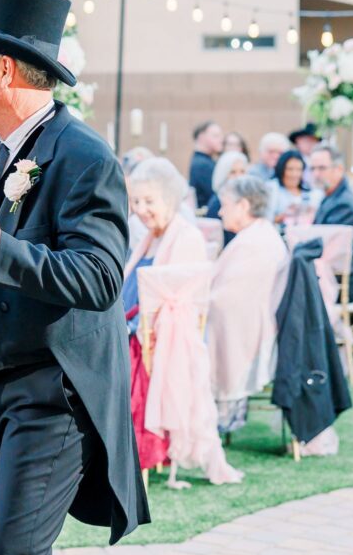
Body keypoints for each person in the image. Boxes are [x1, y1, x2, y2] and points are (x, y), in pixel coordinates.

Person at [0, 0, 148, 555]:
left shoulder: (82, 155)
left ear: (3, 71)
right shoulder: (2, 152)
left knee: (14, 553)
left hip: (53, 392)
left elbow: (101, 277)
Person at [123, 157, 243, 487]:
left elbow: (185, 297)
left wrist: (137, 326)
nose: (142, 209)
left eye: (150, 201)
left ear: (170, 199)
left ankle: (142, 452)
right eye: (136, 201)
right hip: (134, 328)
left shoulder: (186, 236)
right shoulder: (148, 236)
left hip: (157, 336)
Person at [208, 176, 288, 432]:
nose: (220, 211)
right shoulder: (257, 236)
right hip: (250, 322)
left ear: (243, 205)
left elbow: (229, 300)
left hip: (252, 330)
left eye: (225, 205)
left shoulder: (256, 243)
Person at [310, 145, 353, 302]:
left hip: (343, 283)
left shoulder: (343, 204)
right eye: (313, 168)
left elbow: (328, 251)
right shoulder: (332, 196)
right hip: (334, 276)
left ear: (339, 169)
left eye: (322, 168)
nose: (316, 174)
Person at [204, 151, 248, 245]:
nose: (238, 176)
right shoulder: (217, 203)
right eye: (233, 172)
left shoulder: (246, 198)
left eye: (242, 171)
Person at [267, 150, 319, 224]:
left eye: (299, 169)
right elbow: (265, 219)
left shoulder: (310, 192)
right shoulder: (272, 188)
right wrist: (285, 215)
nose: (294, 174)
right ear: (281, 169)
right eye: (290, 169)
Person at [188, 121, 224, 209]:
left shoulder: (205, 161)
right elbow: (216, 195)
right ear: (201, 137)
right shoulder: (202, 165)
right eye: (216, 136)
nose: (221, 140)